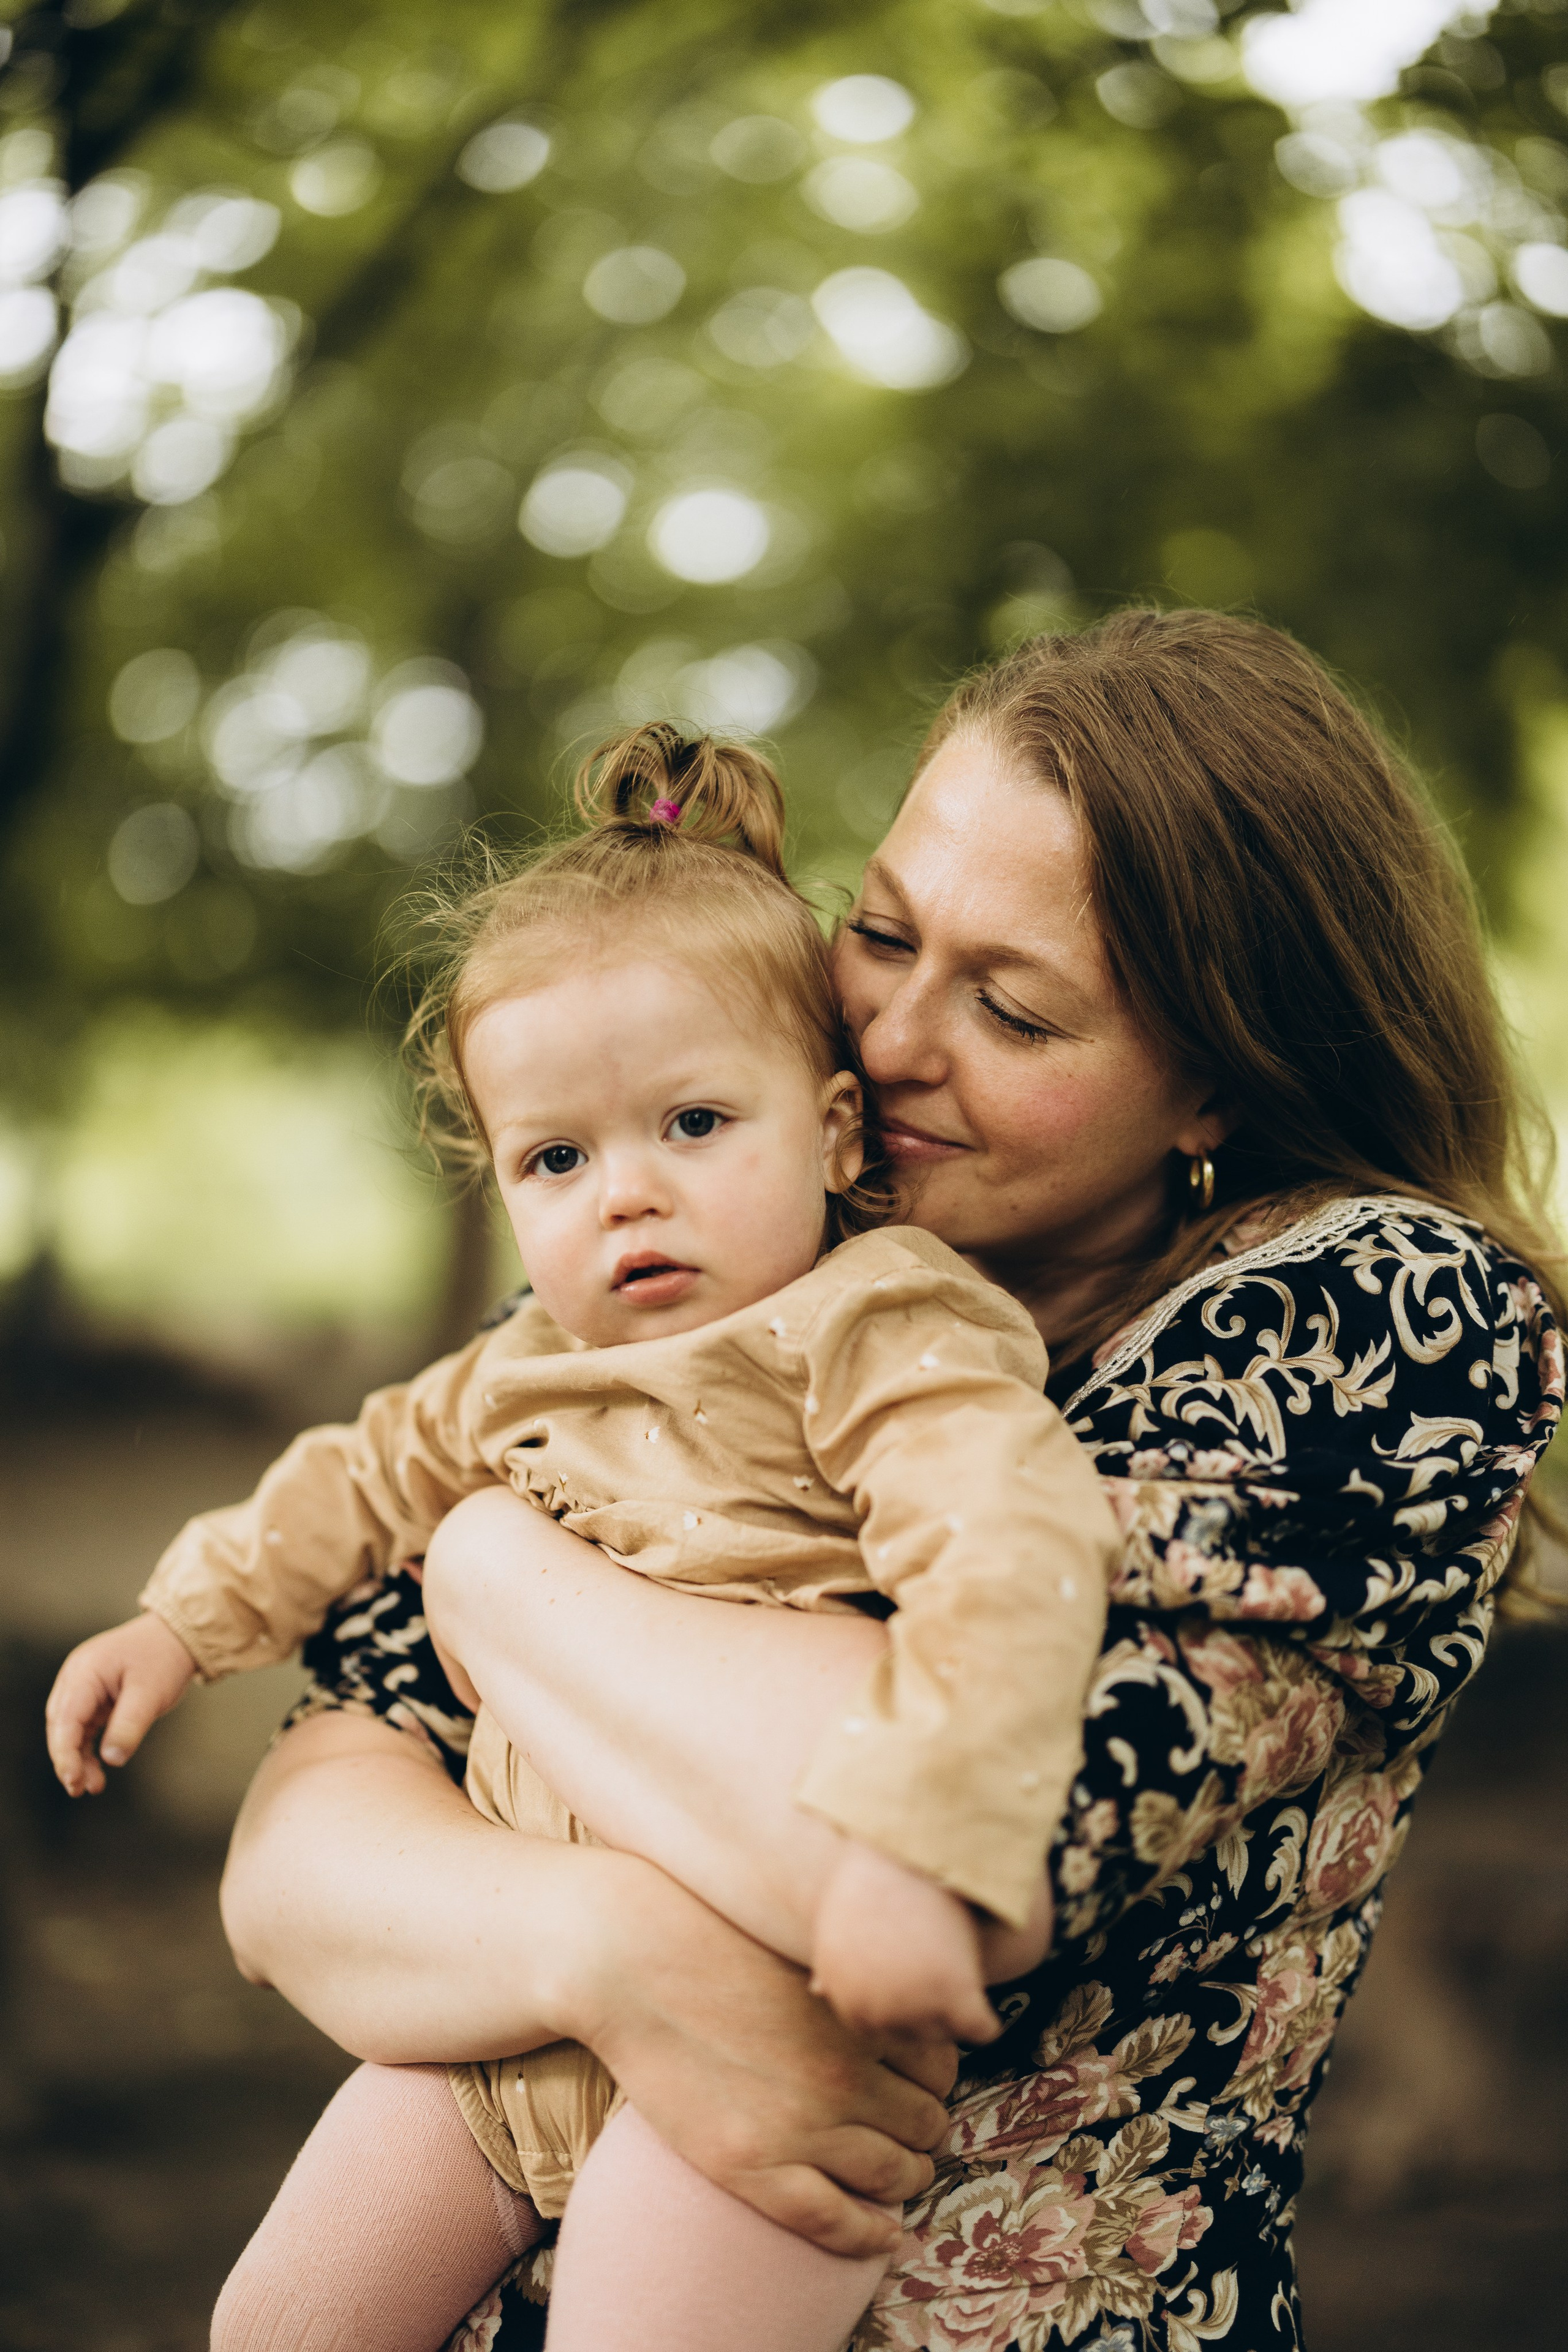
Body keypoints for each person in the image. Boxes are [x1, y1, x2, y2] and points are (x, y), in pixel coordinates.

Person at [77, 608, 1568, 2350]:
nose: (890, 1038)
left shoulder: (1375, 1316)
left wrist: (495, 1580)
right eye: (879, 935)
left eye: (1012, 1007)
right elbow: (295, 1863)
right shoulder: (691, 1257)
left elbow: (974, 1846)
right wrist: (607, 1952)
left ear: (1217, 1079)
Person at [46, 723, 1122, 2352]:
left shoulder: (879, 1329)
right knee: (274, 2322)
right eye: (559, 1156)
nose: (627, 1196)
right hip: (490, 2050)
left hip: (778, 2054)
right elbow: (360, 1473)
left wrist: (919, 1850)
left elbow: (1006, 1556)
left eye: (695, 1126)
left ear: (836, 1135)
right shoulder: (525, 1364)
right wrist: (180, 1622)